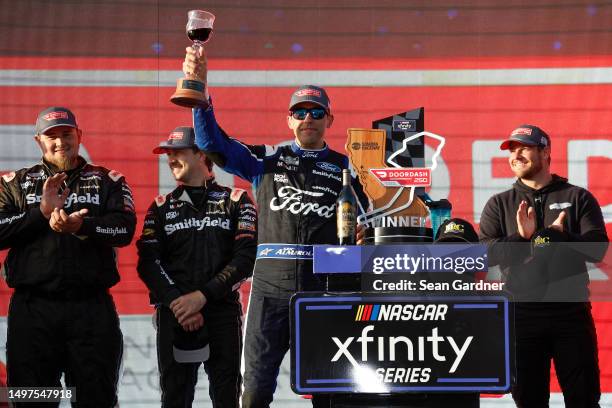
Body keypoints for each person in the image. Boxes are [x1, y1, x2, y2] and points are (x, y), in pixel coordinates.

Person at [183, 47, 368, 407]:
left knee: (330, 395)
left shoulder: (350, 168)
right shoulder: (265, 159)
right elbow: (210, 143)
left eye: (316, 111)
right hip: (269, 288)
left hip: (325, 289)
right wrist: (199, 95)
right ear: (289, 120)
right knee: (253, 393)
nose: (308, 118)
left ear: (330, 119)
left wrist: (365, 235)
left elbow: (373, 222)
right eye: (299, 111)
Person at [0, 106, 136, 407]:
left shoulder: (108, 180)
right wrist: (41, 213)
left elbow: (124, 230)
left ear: (79, 136)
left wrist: (83, 226)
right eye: (52, 136)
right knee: (34, 400)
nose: (60, 142)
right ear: (39, 141)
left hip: (91, 310)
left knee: (95, 400)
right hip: (32, 311)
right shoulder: (13, 183)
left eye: (66, 134)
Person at [479, 124, 609, 408]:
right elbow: (485, 255)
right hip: (521, 316)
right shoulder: (499, 204)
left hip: (570, 314)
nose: (516, 155)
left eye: (523, 148)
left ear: (545, 152)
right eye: (512, 150)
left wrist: (561, 237)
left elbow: (598, 248)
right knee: (529, 401)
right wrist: (521, 238)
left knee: (584, 400)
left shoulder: (578, 197)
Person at [136, 126, 257, 408]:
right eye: (168, 154)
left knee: (227, 396)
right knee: (175, 397)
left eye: (177, 152)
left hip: (221, 312)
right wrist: (178, 302)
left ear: (201, 154)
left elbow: (245, 259)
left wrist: (201, 296)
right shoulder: (160, 208)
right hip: (174, 313)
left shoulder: (236, 201)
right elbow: (148, 262)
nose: (170, 159)